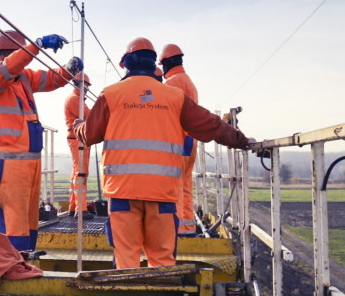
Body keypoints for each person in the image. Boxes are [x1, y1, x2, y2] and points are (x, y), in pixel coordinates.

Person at [74, 37, 252, 269]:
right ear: (153, 65)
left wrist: (79, 125)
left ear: (126, 64)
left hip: (123, 192)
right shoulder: (174, 96)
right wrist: (242, 141)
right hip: (162, 194)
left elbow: (90, 135)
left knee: (127, 258)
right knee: (162, 261)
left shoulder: (111, 94)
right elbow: (212, 125)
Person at [0, 30, 83, 252]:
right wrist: (36, 45)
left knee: (28, 219)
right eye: (20, 53)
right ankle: (12, 266)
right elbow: (10, 67)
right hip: (7, 165)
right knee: (13, 220)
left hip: (30, 163)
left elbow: (51, 79)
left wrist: (69, 70)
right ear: (5, 56)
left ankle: (27, 260)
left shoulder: (23, 79)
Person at [160, 43, 199, 236]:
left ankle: (179, 229)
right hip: (190, 141)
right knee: (185, 185)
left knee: (175, 186)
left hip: (178, 141)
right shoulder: (187, 81)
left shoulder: (172, 83)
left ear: (166, 63)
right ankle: (189, 226)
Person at [64, 72, 94, 220]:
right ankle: (81, 210)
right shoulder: (75, 100)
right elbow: (89, 116)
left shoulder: (77, 99)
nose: (87, 89)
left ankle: (73, 207)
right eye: (86, 86)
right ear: (78, 84)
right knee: (81, 173)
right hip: (78, 139)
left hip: (79, 138)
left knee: (77, 173)